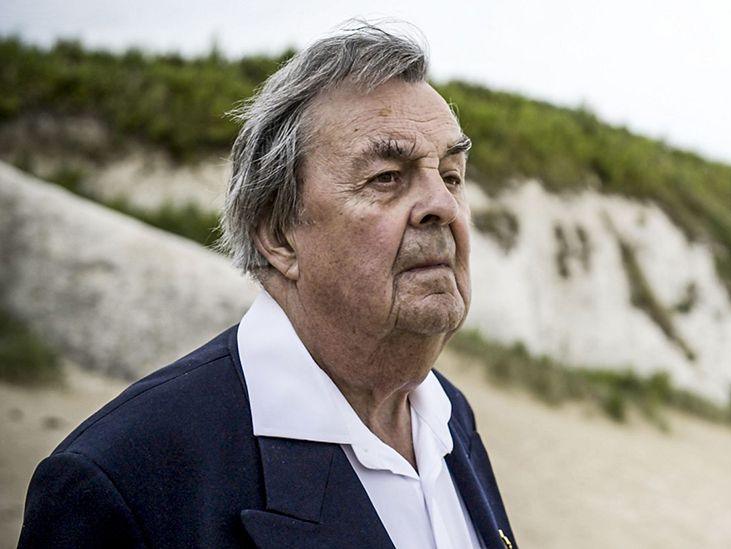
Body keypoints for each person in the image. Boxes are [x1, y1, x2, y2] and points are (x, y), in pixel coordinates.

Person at [18, 22, 516, 549]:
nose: (442, 205)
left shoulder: (447, 417)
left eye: (452, 175)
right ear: (278, 234)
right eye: (386, 177)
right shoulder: (124, 481)